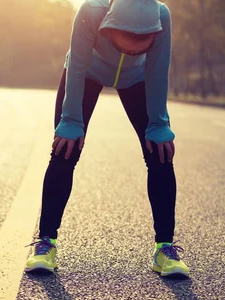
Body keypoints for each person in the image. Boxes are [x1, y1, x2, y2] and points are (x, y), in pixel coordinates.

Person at [25, 0, 189, 278]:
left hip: (136, 78)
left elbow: (158, 70)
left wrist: (159, 123)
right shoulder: (91, 12)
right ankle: (45, 244)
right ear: (110, 27)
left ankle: (165, 249)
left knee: (160, 152)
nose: (129, 51)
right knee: (66, 150)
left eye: (139, 47)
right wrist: (72, 121)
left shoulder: (161, 16)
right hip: (87, 72)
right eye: (123, 46)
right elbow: (77, 65)